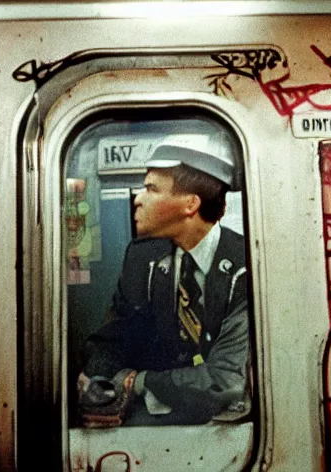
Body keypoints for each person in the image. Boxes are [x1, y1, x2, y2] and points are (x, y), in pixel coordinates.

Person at [78, 133, 250, 427]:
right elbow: (115, 336)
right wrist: (98, 378)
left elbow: (226, 379)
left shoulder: (245, 264)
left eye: (151, 189)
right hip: (154, 425)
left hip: (229, 426)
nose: (138, 199)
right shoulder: (142, 257)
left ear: (190, 204)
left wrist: (136, 382)